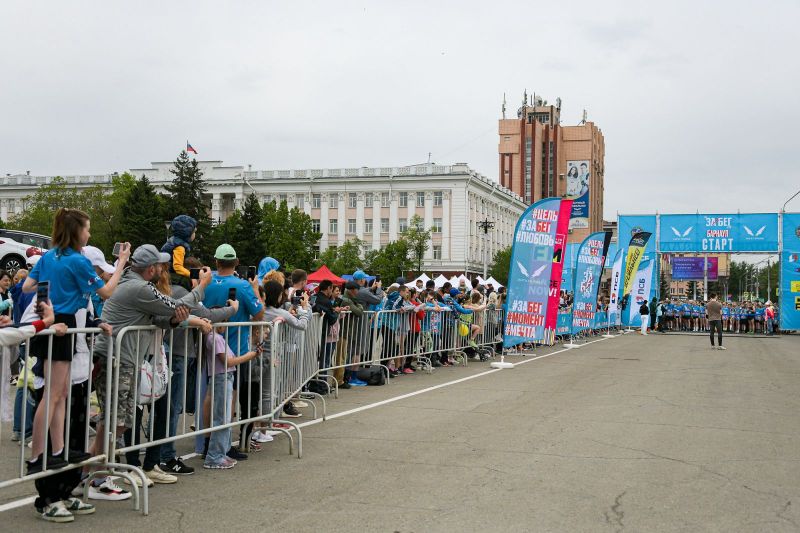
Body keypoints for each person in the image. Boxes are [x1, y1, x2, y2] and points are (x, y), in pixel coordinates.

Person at [87, 244, 210, 487]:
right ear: (151, 269)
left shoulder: (135, 284)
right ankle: (92, 472)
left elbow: (160, 317)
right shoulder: (139, 287)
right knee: (116, 422)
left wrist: (173, 320)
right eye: (160, 265)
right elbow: (176, 304)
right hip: (118, 358)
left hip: (122, 357)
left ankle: (93, 472)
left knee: (116, 422)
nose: (163, 269)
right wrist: (201, 287)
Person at [22, 209, 129, 477]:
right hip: (63, 322)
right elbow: (107, 291)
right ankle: (37, 455)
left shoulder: (49, 256)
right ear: (76, 232)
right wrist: (120, 265)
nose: (89, 234)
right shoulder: (77, 261)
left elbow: (27, 286)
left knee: (59, 393)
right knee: (53, 395)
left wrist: (49, 292)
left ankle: (59, 450)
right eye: (87, 229)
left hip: (54, 319)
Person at [159, 256, 237, 475]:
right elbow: (205, 314)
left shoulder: (176, 291)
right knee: (171, 408)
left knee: (168, 407)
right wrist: (232, 309)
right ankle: (165, 455)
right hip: (176, 354)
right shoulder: (180, 293)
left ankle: (159, 453)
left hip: (176, 353)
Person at [201, 244, 265, 455]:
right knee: (229, 396)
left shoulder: (207, 283)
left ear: (216, 262)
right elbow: (259, 314)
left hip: (209, 344)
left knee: (210, 394)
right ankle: (223, 444)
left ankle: (208, 442)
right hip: (235, 349)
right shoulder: (242, 285)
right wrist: (255, 288)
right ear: (236, 262)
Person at [203, 323, 261, 469]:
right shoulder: (214, 338)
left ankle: (220, 453)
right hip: (222, 377)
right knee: (221, 418)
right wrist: (250, 355)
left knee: (224, 418)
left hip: (225, 377)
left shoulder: (218, 338)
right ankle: (214, 457)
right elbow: (228, 362)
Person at [161, 214, 197, 289]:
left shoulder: (176, 241)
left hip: (167, 272)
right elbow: (177, 267)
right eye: (194, 232)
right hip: (168, 274)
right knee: (187, 281)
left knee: (196, 273)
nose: (194, 234)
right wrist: (192, 276)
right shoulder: (180, 247)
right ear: (187, 233)